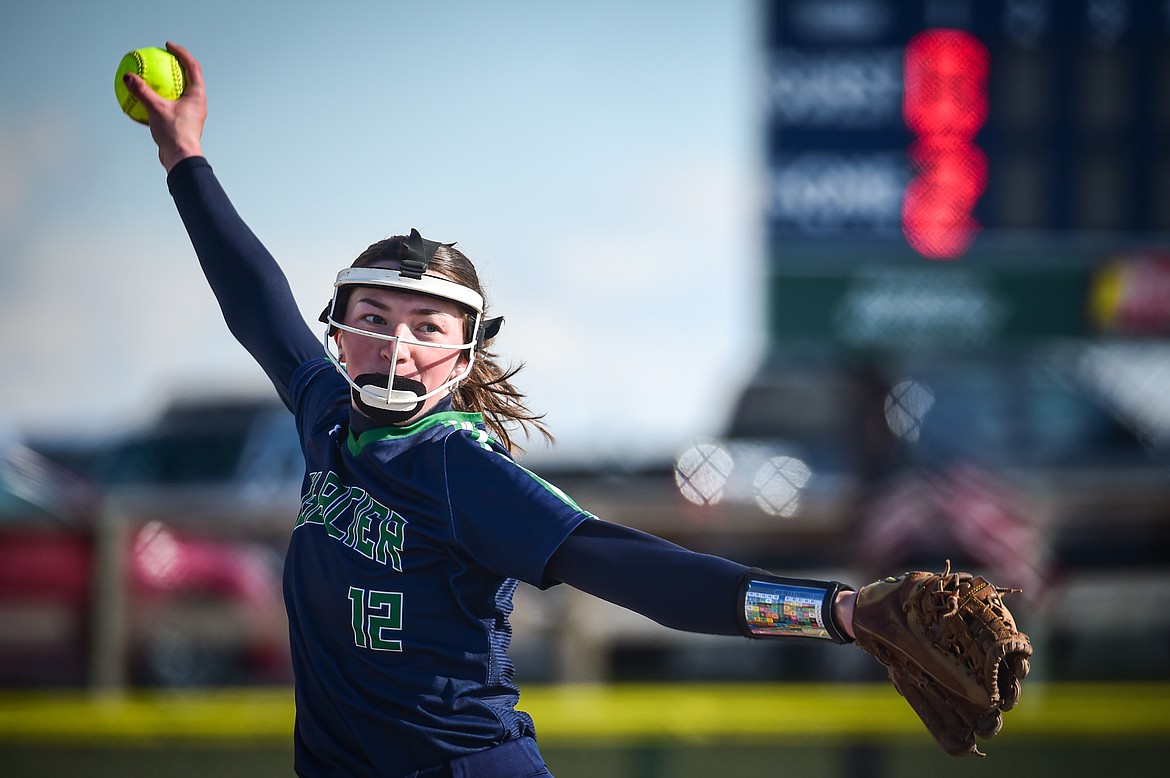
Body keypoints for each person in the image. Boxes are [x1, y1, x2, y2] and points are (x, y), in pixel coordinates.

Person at [124, 43, 860, 778]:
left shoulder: (457, 467)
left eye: (427, 326)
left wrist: (831, 612)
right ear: (338, 335)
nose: (397, 344)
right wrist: (183, 154)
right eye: (374, 317)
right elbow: (255, 300)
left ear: (466, 354)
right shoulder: (326, 416)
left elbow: (636, 570)